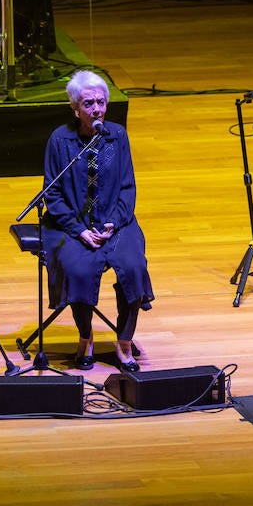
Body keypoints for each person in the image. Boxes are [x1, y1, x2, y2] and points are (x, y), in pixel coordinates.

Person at [40, 69, 153, 371]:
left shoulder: (117, 135)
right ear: (75, 109)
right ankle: (85, 336)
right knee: (78, 268)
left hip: (116, 223)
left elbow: (128, 187)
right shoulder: (60, 140)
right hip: (73, 225)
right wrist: (79, 230)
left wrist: (114, 222)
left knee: (133, 266)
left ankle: (125, 341)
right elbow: (52, 194)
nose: (97, 110)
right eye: (88, 104)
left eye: (101, 102)